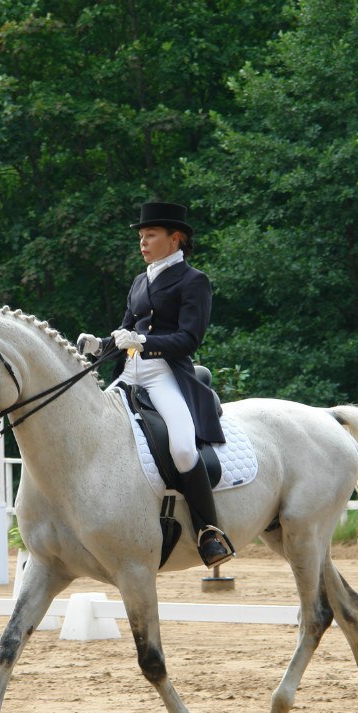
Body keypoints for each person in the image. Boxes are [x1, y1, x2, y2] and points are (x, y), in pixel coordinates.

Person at [76, 202, 235, 567]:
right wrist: (101, 344)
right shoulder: (139, 281)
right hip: (129, 375)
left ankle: (209, 531)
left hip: (165, 375)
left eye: (150, 236)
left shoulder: (194, 281)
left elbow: (190, 339)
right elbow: (124, 331)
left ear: (174, 238)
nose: (143, 243)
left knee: (181, 449)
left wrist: (145, 343)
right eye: (141, 237)